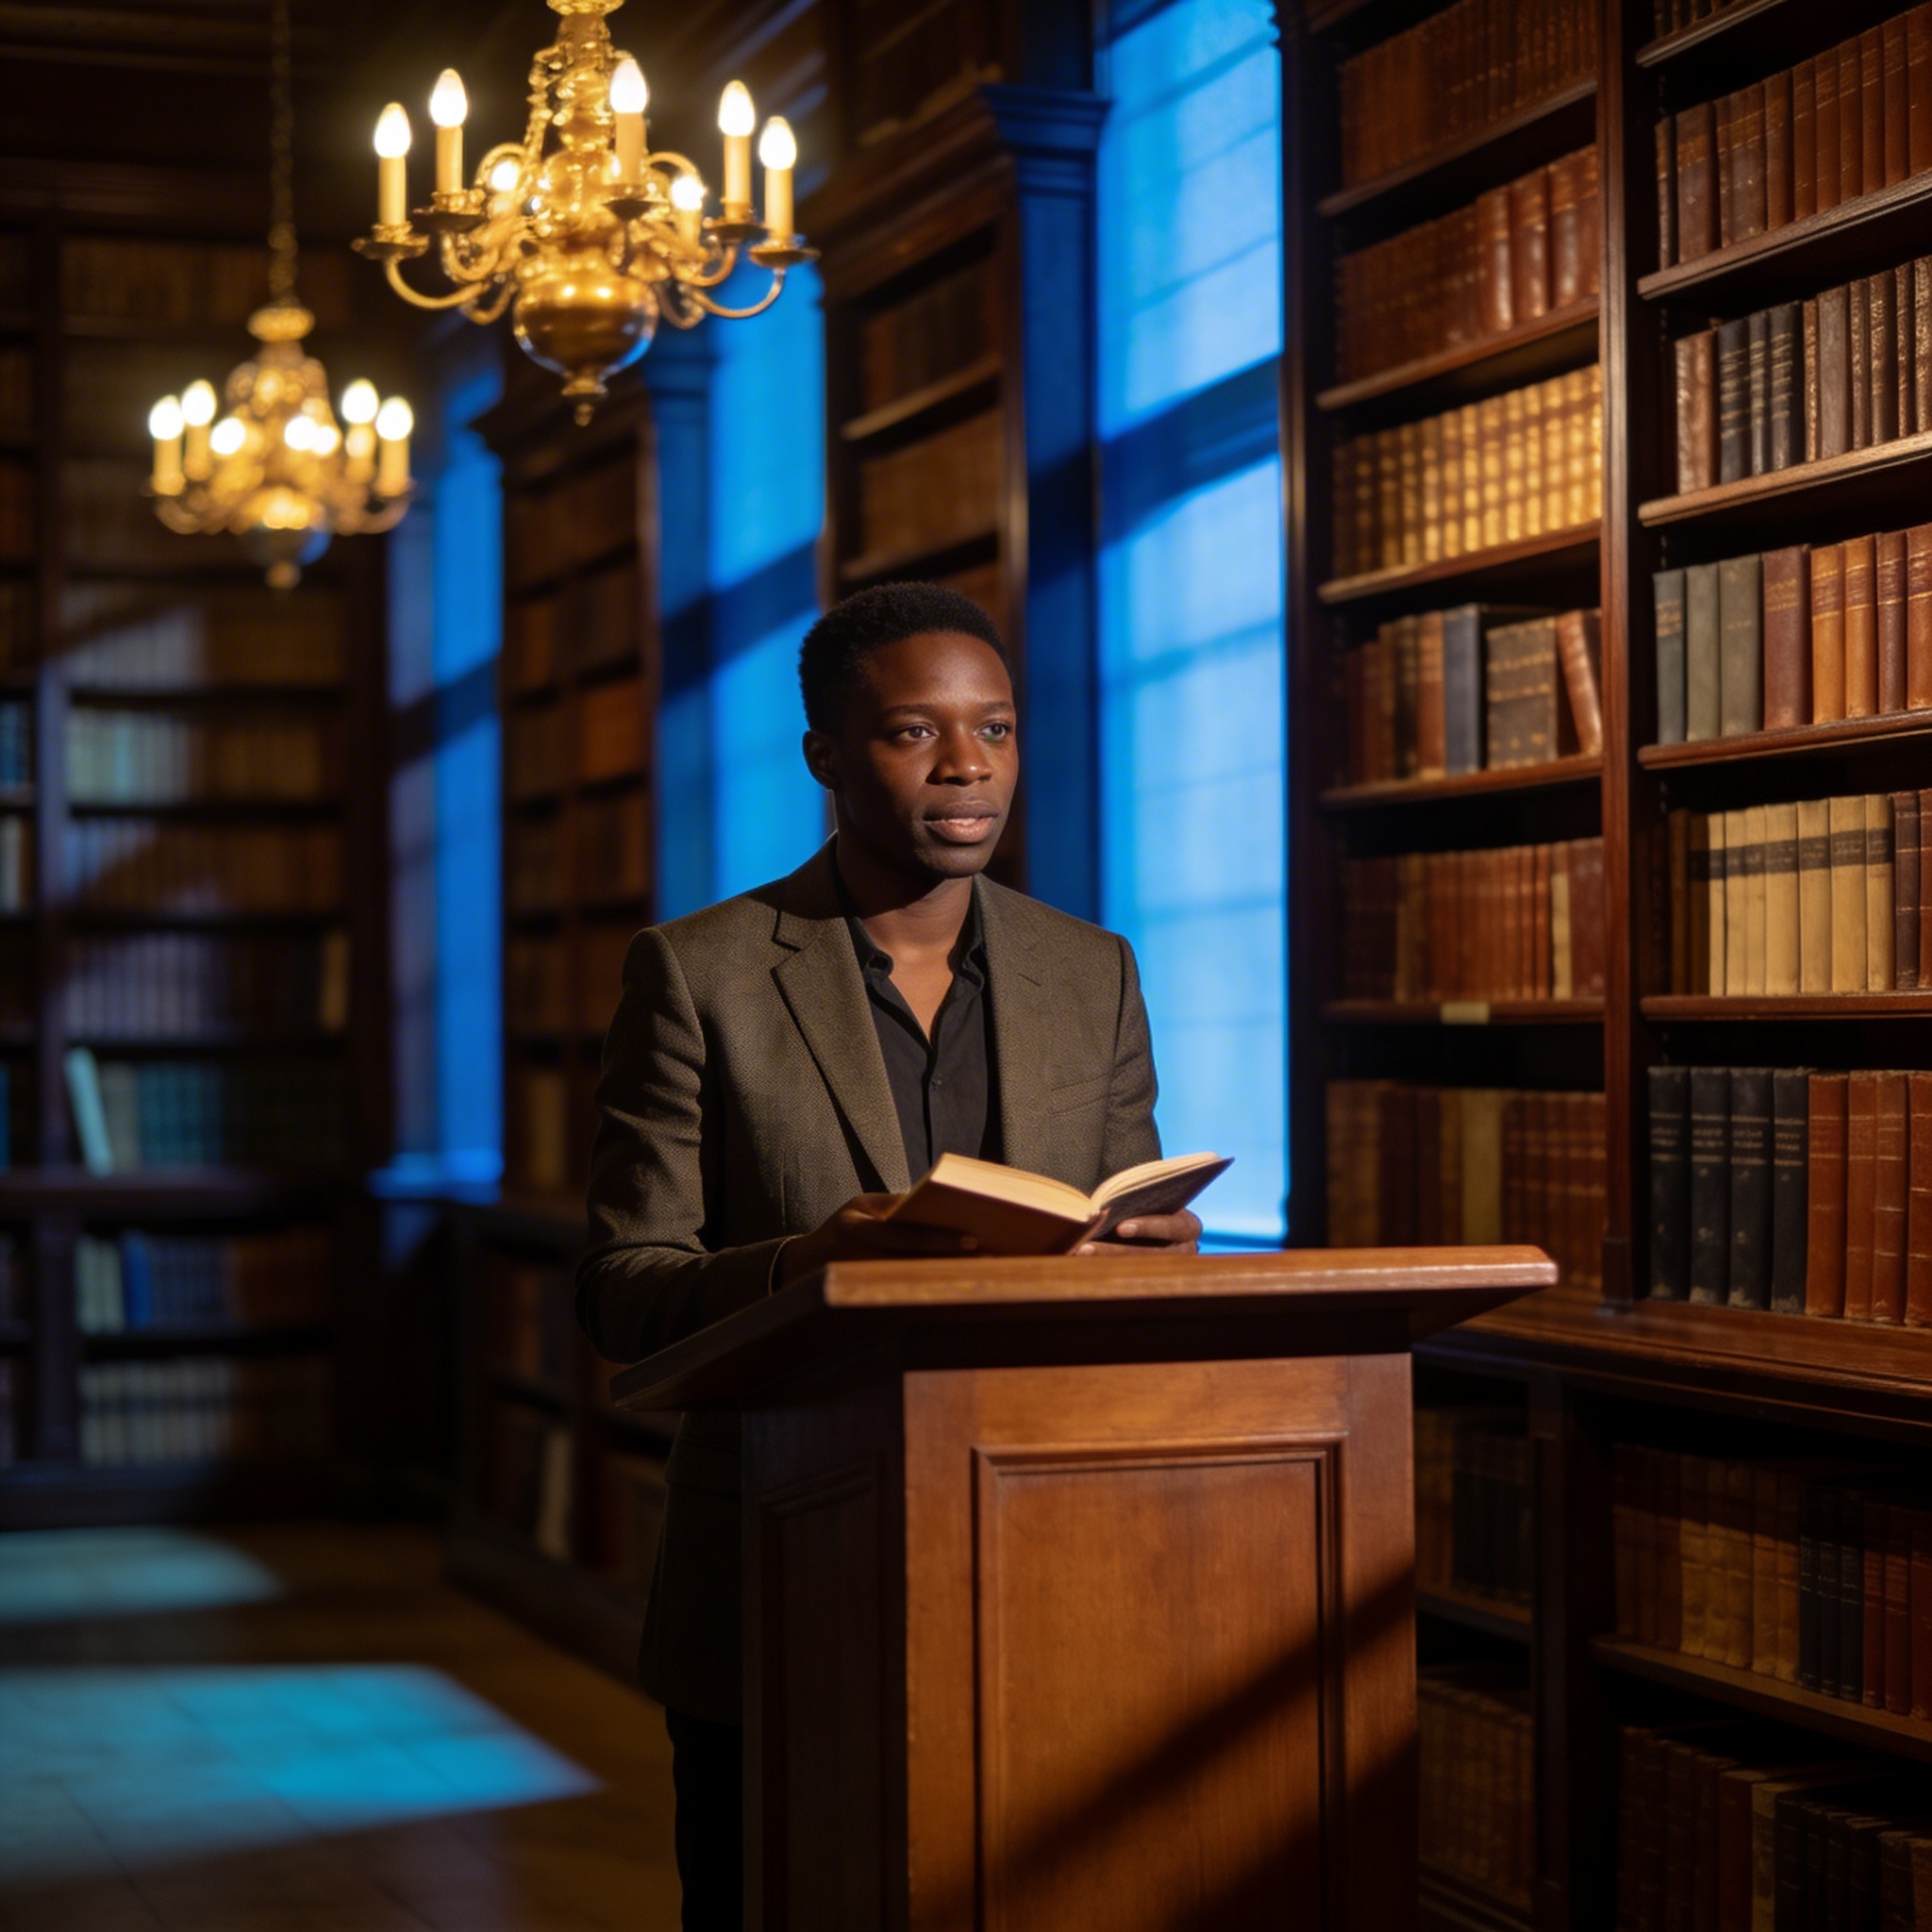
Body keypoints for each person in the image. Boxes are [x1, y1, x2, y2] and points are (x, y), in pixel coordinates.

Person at [575, 581, 1201, 1929]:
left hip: (1045, 1563)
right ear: (827, 758)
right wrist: (816, 1259)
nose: (969, 765)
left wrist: (1151, 1250)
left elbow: (1112, 1233)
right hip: (780, 1570)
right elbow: (625, 1294)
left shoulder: (1090, 971)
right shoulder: (701, 974)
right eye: (917, 732)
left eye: (997, 730)